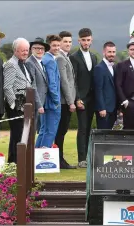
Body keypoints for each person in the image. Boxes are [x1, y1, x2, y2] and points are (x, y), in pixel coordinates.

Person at [3, 38, 35, 163]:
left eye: (27, 50)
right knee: (17, 134)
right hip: (17, 106)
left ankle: (20, 161)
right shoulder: (11, 64)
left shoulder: (23, 64)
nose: (26, 53)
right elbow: (7, 86)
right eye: (23, 50)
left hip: (26, 104)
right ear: (15, 50)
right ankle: (14, 162)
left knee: (23, 134)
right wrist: (14, 105)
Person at [69, 28, 97, 168]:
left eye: (88, 40)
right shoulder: (74, 57)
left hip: (93, 99)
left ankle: (88, 156)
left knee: (90, 129)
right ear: (79, 40)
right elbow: (73, 80)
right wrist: (77, 98)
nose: (86, 42)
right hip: (81, 99)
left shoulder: (93, 57)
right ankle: (81, 159)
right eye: (83, 40)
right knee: (83, 128)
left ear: (91, 40)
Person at [54, 31, 77, 169]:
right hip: (63, 102)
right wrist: (71, 102)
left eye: (69, 42)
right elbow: (64, 81)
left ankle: (59, 159)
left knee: (62, 132)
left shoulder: (65, 57)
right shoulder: (60, 58)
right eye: (65, 42)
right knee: (60, 132)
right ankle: (59, 160)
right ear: (60, 43)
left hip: (66, 101)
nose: (68, 44)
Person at [35, 35, 61, 148]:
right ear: (48, 46)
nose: (57, 48)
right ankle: (43, 160)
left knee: (43, 130)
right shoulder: (50, 61)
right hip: (52, 103)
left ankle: (34, 158)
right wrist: (56, 101)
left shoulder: (44, 59)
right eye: (54, 45)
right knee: (50, 132)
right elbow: (52, 83)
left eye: (58, 45)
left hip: (45, 102)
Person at [26, 37, 49, 133]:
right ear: (31, 49)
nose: (39, 50)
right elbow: (33, 85)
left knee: (40, 131)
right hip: (35, 104)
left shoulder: (42, 62)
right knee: (32, 132)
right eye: (36, 48)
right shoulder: (30, 62)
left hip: (44, 102)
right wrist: (39, 105)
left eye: (41, 48)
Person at [94, 41, 117, 129]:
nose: (112, 54)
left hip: (113, 108)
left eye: (113, 52)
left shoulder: (114, 67)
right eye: (109, 52)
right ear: (104, 52)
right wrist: (101, 108)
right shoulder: (99, 68)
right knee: (103, 135)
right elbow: (98, 89)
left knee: (110, 135)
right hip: (104, 110)